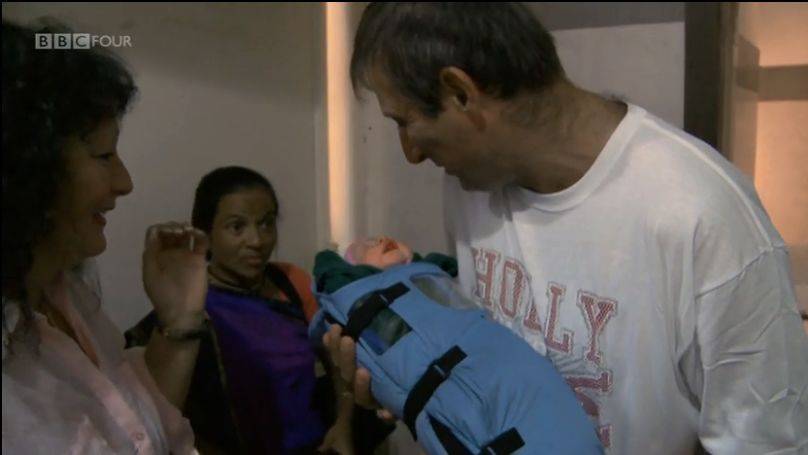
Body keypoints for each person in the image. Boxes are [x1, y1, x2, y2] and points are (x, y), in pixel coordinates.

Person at [323, 3, 808, 454]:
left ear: (461, 92)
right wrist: (404, 387)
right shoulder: (470, 188)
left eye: (404, 122)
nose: (410, 153)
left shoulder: (703, 215)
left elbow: (764, 443)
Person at [2, 20, 208, 454]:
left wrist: (179, 321)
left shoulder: (64, 292)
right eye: (103, 155)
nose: (125, 182)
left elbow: (141, 435)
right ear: (26, 168)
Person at [127, 166, 394, 454]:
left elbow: (339, 358)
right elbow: (157, 410)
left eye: (266, 224)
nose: (257, 241)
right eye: (237, 227)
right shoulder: (187, 309)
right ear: (206, 233)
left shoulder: (290, 282)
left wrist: (343, 424)